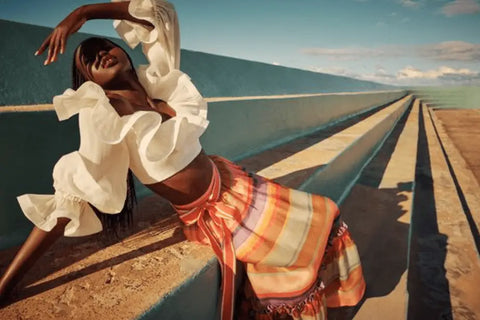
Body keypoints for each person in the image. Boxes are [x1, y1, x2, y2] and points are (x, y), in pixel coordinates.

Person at [0, 1, 366, 319]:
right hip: (217, 213)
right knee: (304, 242)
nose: (99, 54)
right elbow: (71, 196)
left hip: (236, 182)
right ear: (88, 82)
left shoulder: (158, 82)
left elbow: (160, 13)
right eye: (89, 60)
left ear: (125, 53)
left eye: (103, 47)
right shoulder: (102, 114)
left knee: (323, 215)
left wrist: (84, 12)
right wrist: (7, 284)